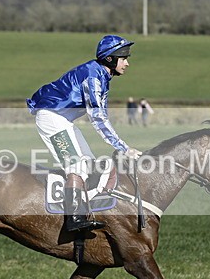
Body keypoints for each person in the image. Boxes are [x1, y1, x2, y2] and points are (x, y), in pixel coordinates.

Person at [26, 35, 141, 232]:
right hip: (51, 116)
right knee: (77, 166)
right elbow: (98, 119)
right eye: (124, 58)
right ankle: (74, 219)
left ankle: (85, 210)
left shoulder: (102, 75)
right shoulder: (93, 76)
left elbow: (101, 115)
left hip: (61, 118)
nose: (127, 63)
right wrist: (123, 148)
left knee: (87, 163)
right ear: (110, 59)